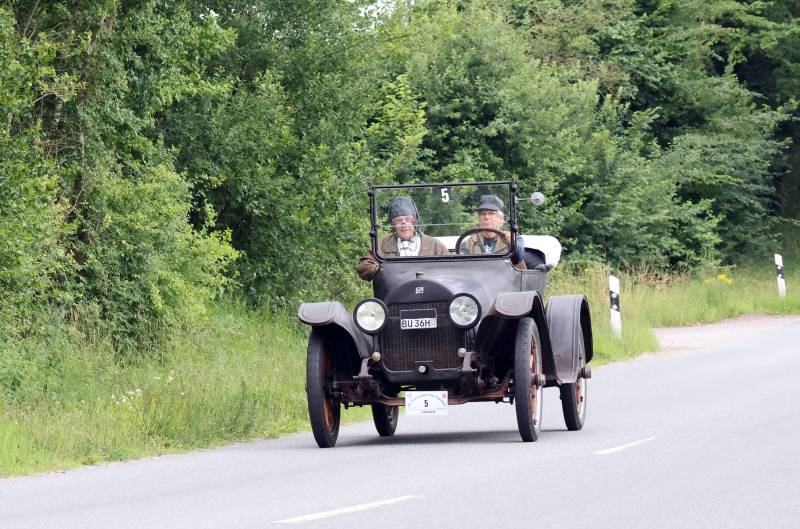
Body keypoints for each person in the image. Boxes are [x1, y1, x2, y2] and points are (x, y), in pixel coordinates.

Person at [356, 196, 449, 281]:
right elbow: (363, 267)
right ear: (393, 225)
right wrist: (379, 269)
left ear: (415, 221)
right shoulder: (383, 244)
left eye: (408, 220)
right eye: (399, 221)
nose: (404, 225)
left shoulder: (433, 244)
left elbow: (451, 266)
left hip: (429, 289)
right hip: (394, 290)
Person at [459, 194, 526, 269]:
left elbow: (519, 258)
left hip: (506, 276)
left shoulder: (514, 238)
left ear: (501, 219)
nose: (486, 217)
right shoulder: (468, 243)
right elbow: (461, 264)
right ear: (479, 219)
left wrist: (512, 243)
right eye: (483, 214)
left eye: (491, 213)